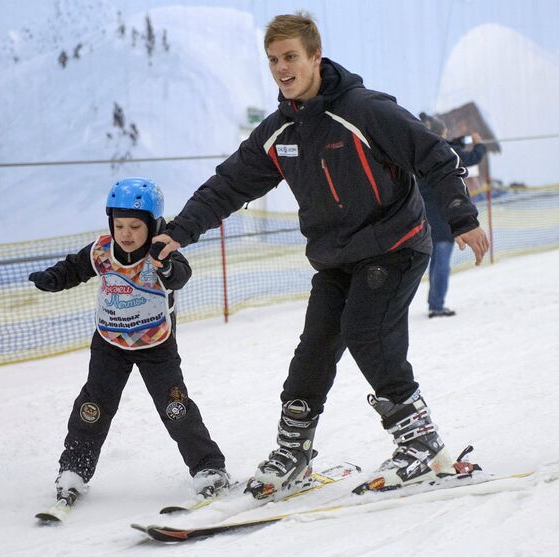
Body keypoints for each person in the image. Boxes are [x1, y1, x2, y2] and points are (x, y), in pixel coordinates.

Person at [152, 12, 489, 496]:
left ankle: (419, 444)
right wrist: (180, 231)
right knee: (313, 351)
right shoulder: (279, 132)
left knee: (366, 333)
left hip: (393, 244)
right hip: (336, 257)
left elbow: (434, 154)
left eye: (290, 57)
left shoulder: (364, 110)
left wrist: (462, 216)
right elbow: (228, 184)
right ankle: (294, 454)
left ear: (315, 56)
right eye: (273, 60)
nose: (281, 68)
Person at [28, 177, 229, 508]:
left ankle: (209, 467)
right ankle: (73, 471)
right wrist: (53, 279)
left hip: (157, 347)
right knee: (93, 408)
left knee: (175, 408)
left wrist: (165, 265)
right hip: (110, 344)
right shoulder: (102, 250)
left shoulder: (161, 252)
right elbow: (75, 268)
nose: (126, 233)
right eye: (119, 224)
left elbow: (181, 274)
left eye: (135, 225)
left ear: (151, 225)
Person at [418, 113, 488, 318]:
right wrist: (479, 144)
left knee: (435, 263)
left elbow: (448, 144)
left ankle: (434, 302)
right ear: (440, 133)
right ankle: (437, 305)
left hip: (428, 220)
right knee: (441, 265)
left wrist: (461, 140)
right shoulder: (445, 152)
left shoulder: (422, 152)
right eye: (445, 131)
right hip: (445, 220)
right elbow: (471, 158)